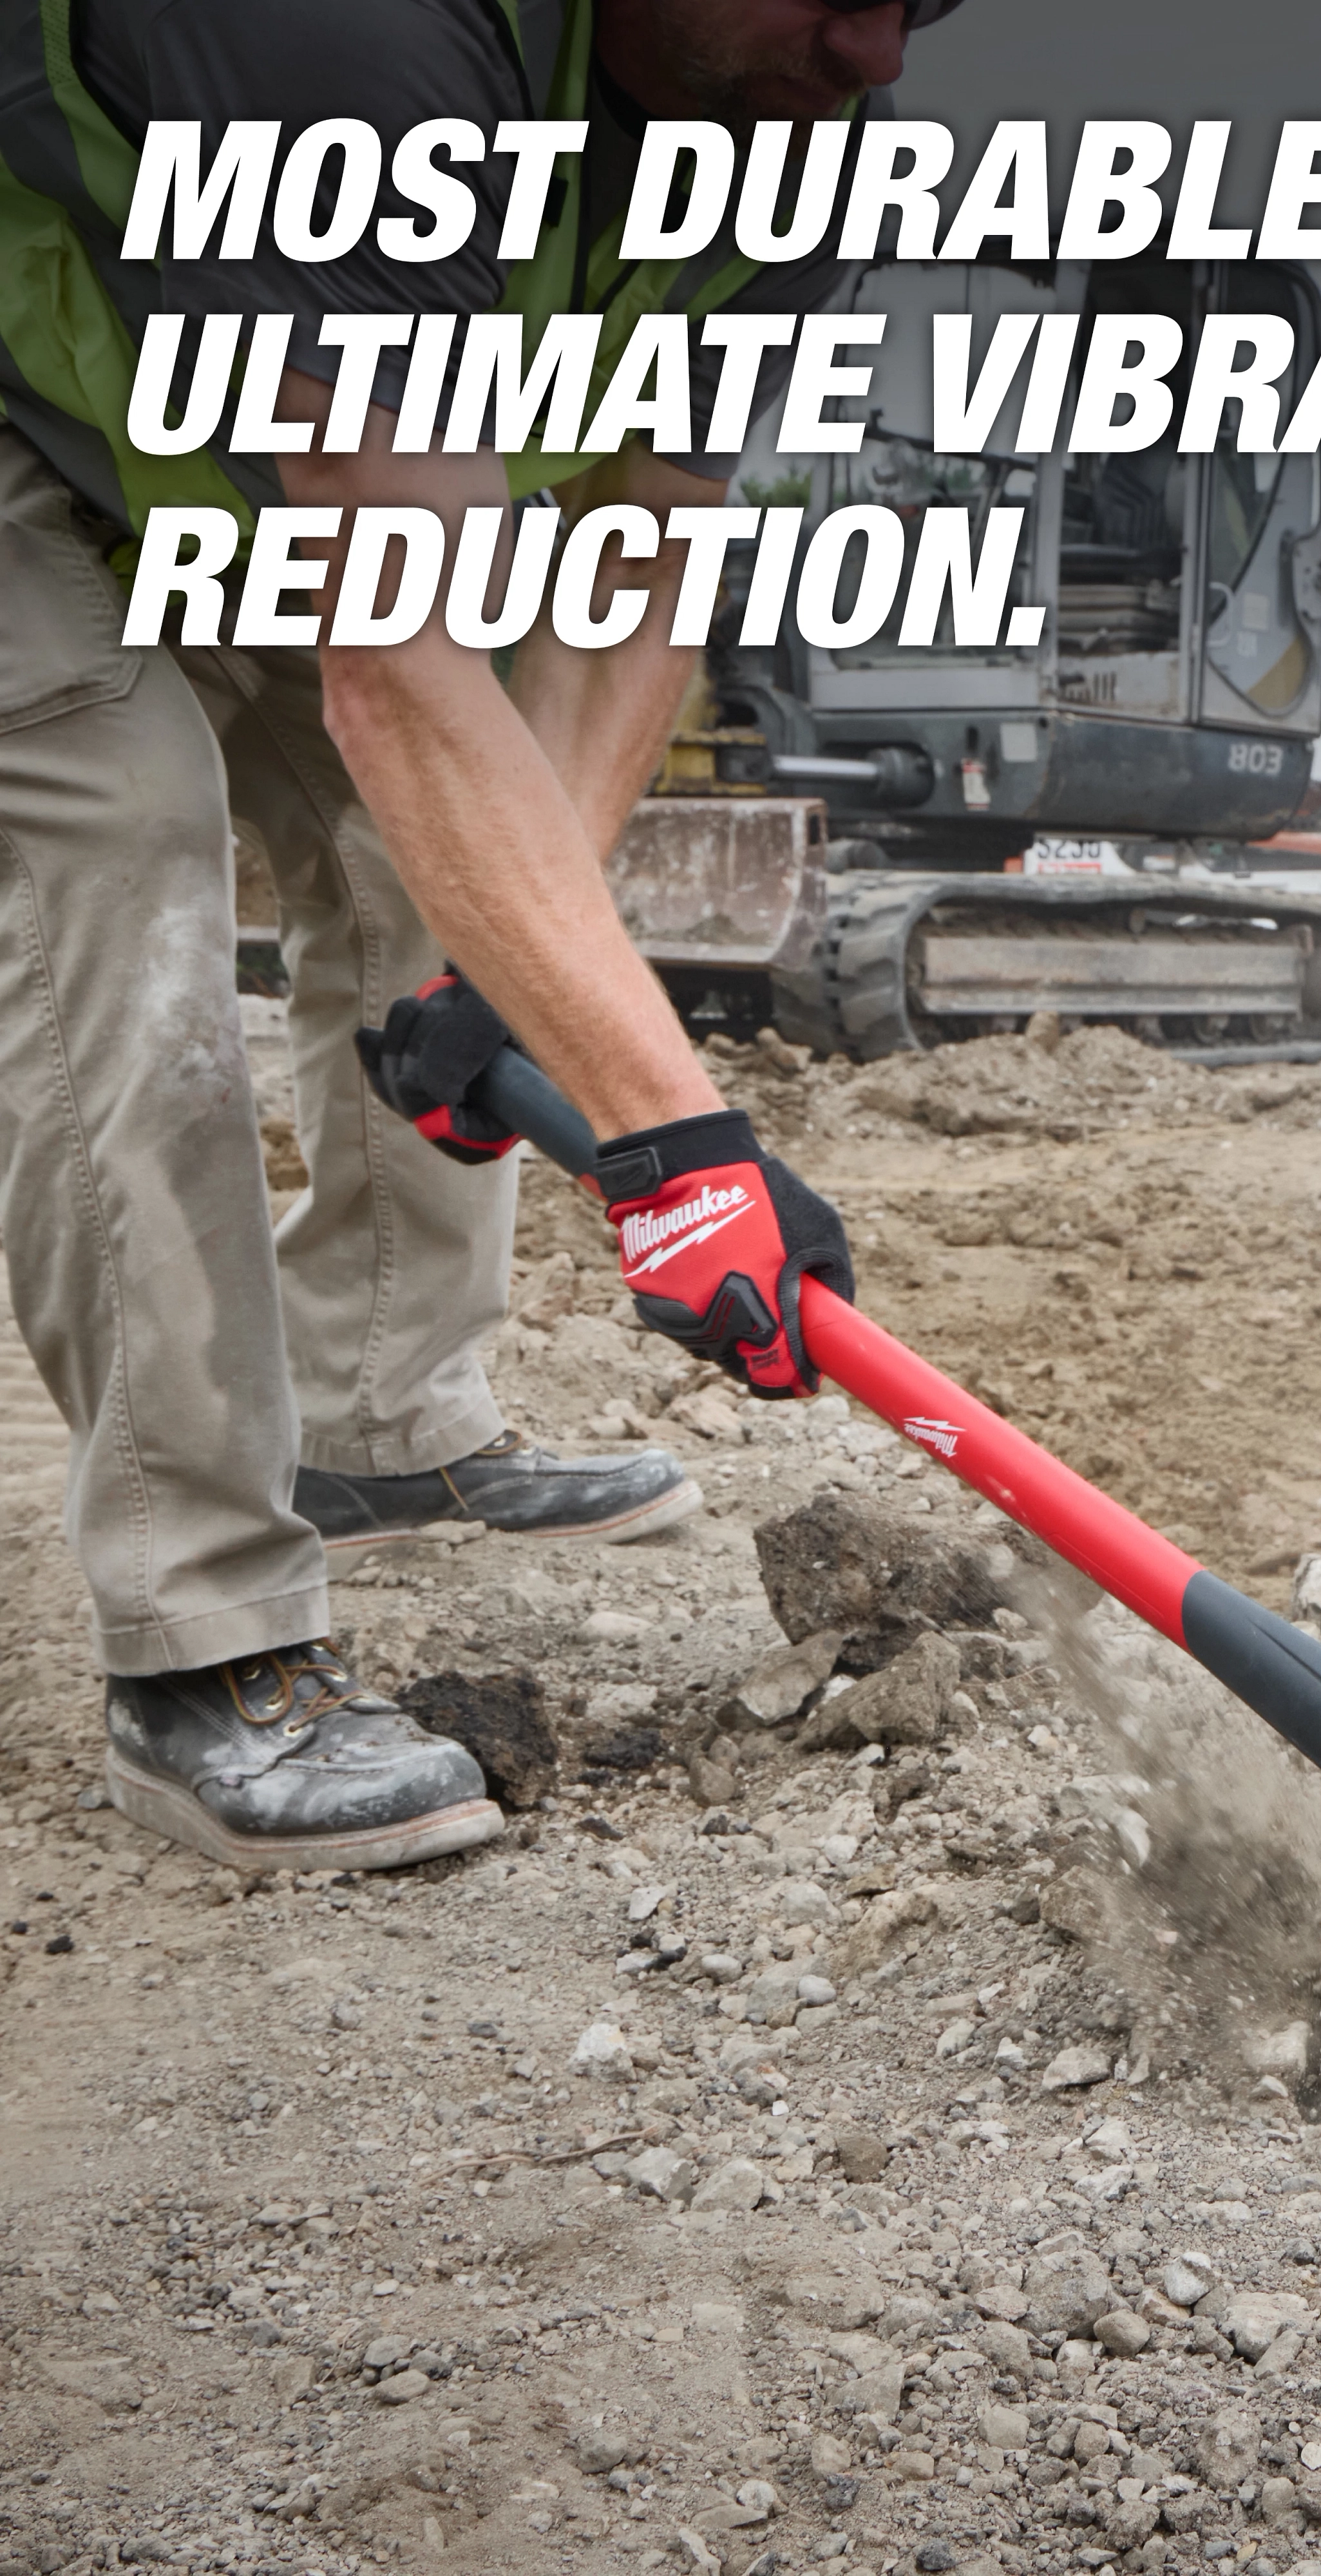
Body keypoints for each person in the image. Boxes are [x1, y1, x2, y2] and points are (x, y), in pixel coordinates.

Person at [0, 0, 960, 1875]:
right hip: (24, 424)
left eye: (917, 5)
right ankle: (202, 1643)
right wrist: (677, 1143)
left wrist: (496, 971)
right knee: (121, 824)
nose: (876, 56)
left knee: (414, 853)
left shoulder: (786, 128)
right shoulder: (356, 34)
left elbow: (635, 562)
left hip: (228, 452)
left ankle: (378, 1407)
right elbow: (389, 646)